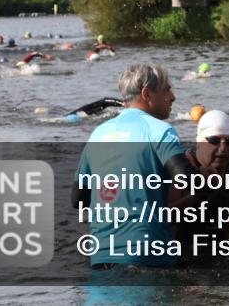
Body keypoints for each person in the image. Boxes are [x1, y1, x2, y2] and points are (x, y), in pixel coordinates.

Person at [72, 64, 198, 268]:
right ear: (147, 94)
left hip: (101, 256)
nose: (173, 97)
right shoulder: (159, 130)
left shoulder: (97, 134)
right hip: (146, 255)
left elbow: (77, 200)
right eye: (167, 89)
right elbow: (188, 179)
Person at [175, 110, 229, 260]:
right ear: (200, 141)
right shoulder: (179, 173)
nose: (222, 148)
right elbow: (159, 220)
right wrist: (199, 195)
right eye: (214, 140)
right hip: (182, 254)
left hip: (221, 251)